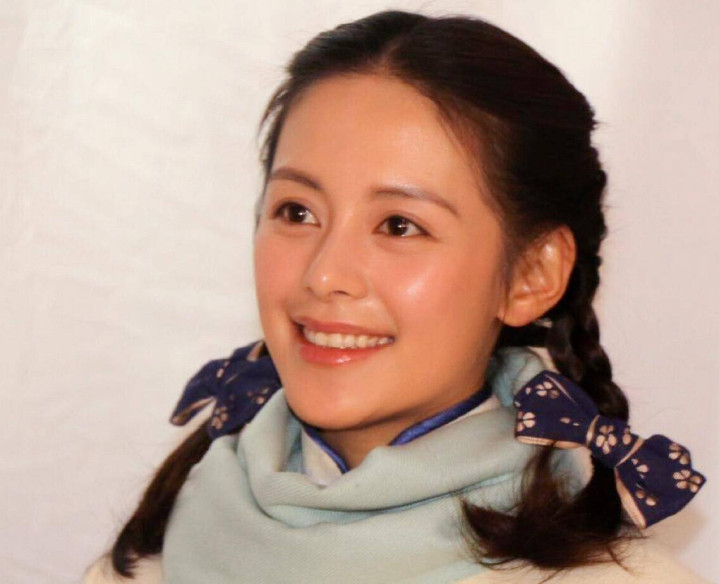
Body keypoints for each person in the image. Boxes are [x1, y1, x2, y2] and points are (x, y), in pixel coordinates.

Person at [84, 9, 708, 584]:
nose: (325, 274)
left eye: (400, 226)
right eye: (297, 212)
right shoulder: (157, 550)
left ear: (530, 275)